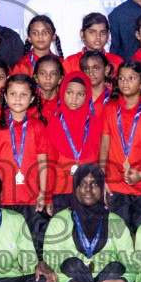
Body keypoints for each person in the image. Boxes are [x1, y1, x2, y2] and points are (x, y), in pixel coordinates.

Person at [99, 59, 141, 227]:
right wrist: (102, 179)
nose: (125, 82)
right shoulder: (110, 109)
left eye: (131, 78)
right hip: (115, 185)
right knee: (118, 235)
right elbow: (104, 147)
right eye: (121, 78)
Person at [0, 74, 52, 230]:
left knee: (33, 242)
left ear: (32, 99)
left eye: (23, 94)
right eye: (13, 94)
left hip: (31, 197)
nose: (18, 99)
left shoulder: (37, 126)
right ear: (5, 97)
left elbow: (43, 162)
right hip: (3, 197)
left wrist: (42, 193)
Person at [45, 74, 99, 211]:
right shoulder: (54, 124)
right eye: (69, 93)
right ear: (62, 92)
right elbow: (49, 163)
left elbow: (101, 159)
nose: (74, 99)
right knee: (61, 230)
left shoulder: (96, 123)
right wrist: (48, 196)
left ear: (87, 96)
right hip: (61, 190)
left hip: (88, 189)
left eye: (80, 94)